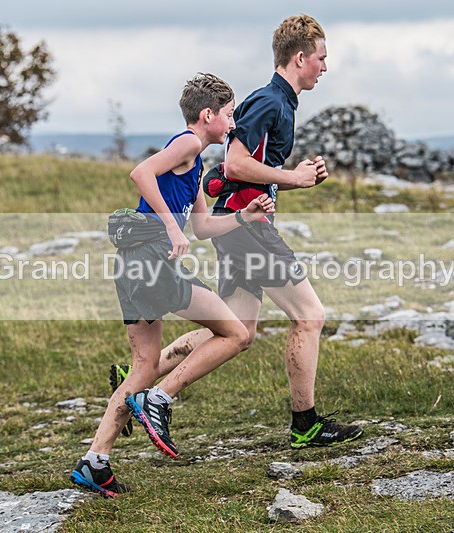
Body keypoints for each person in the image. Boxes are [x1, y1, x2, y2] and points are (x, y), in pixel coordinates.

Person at [109, 14, 364, 450]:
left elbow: (232, 172)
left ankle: (141, 382)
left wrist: (295, 177)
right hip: (247, 228)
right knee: (310, 315)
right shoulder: (270, 101)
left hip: (236, 224)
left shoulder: (278, 103)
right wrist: (292, 178)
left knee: (235, 329)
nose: (325, 67)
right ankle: (302, 422)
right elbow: (234, 165)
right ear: (300, 57)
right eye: (322, 58)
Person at [70, 73, 275, 498]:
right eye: (229, 114)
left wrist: (245, 215)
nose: (233, 123)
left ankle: (95, 461)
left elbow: (201, 227)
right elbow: (140, 172)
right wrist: (169, 225)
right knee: (237, 332)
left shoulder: (195, 163)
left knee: (143, 366)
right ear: (208, 116)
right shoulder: (186, 143)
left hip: (132, 269)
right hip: (154, 263)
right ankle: (160, 399)